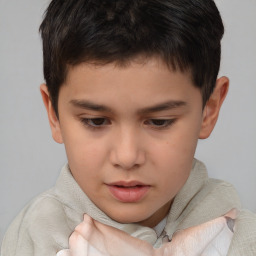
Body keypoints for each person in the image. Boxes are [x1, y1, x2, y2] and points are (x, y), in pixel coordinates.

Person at [1, 0, 256, 255]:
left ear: (209, 110)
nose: (127, 156)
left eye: (159, 122)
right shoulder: (32, 242)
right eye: (96, 121)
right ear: (53, 114)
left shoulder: (244, 241)